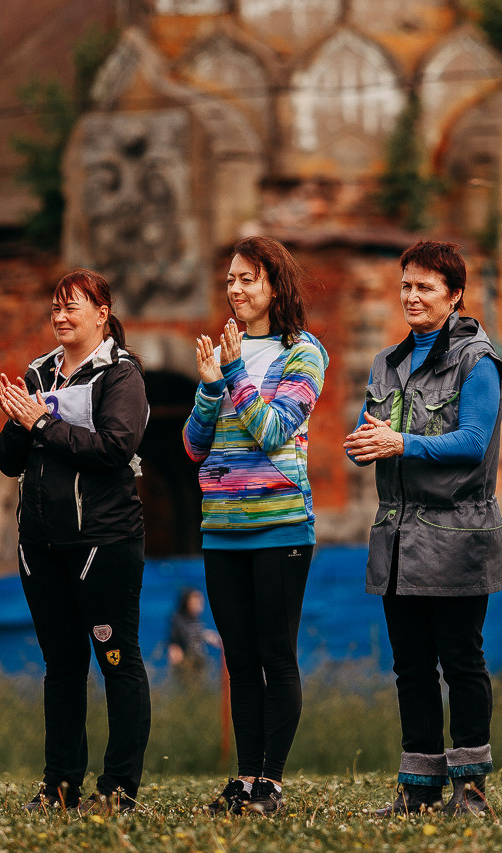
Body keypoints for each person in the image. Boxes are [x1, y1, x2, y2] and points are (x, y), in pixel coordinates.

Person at [344, 240, 502, 817]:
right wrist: (364, 444)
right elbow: (375, 429)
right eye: (406, 285)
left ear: (454, 295)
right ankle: (417, 790)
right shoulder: (386, 362)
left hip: (459, 538)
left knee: (461, 661)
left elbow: (473, 441)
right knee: (410, 667)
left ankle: (471, 790)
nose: (412, 296)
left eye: (426, 287)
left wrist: (400, 442)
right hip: (396, 540)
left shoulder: (477, 360)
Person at [0, 268, 151, 815]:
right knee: (61, 667)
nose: (60, 316)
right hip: (40, 546)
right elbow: (6, 460)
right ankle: (59, 787)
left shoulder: (121, 375)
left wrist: (40, 425)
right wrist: (18, 421)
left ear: (102, 313)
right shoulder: (39, 372)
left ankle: (119, 788)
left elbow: (114, 447)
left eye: (72, 306)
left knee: (116, 660)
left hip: (103, 543)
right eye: (55, 307)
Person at [183, 236, 327, 816]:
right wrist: (211, 384)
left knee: (276, 653)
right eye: (231, 281)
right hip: (221, 526)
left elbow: (273, 431)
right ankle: (243, 780)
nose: (236, 290)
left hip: (281, 527)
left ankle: (272, 781)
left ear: (275, 285)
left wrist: (236, 369)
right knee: (238, 659)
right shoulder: (223, 352)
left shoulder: (303, 351)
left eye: (248, 279)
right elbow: (193, 447)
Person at [167, 587, 221, 675]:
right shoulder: (178, 619)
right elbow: (179, 638)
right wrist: (205, 635)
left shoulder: (196, 620)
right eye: (197, 600)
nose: (201, 602)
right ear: (187, 602)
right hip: (186, 663)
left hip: (198, 663)